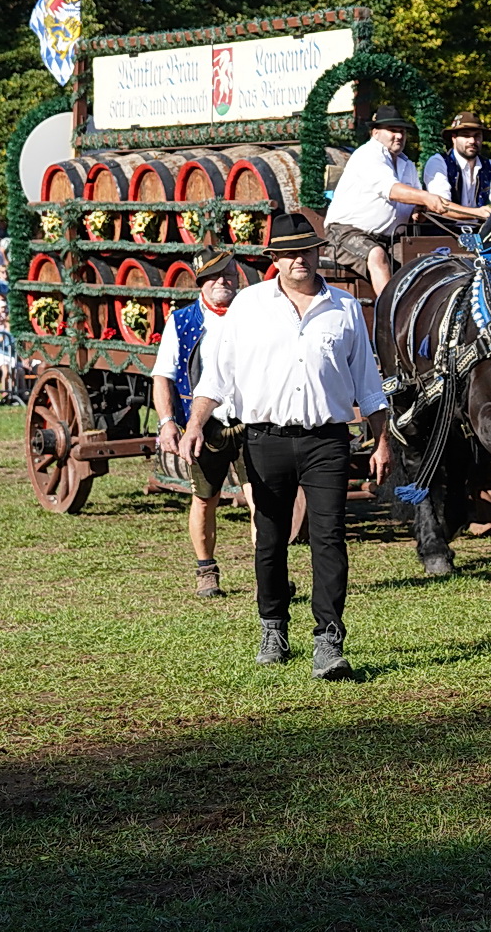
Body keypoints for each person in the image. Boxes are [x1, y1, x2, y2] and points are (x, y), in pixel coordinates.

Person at [182, 212, 392, 679]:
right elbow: (216, 377)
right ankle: (273, 627)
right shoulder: (248, 306)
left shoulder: (345, 308)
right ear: (272, 259)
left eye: (307, 249)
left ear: (320, 253)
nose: (299, 259)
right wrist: (195, 424)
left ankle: (329, 640)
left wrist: (382, 441)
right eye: (288, 252)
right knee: (271, 538)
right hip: (264, 439)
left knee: (329, 538)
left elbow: (369, 384)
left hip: (327, 441)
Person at [153, 251, 244, 598]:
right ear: (201, 282)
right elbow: (162, 376)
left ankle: (265, 571)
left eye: (229, 274)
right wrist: (167, 423)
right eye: (214, 276)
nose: (223, 281)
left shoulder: (251, 316)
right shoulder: (182, 321)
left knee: (260, 499)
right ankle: (206, 571)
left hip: (248, 419)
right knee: (205, 498)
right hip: (203, 425)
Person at [323, 105, 485, 294]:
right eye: (392, 131)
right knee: (376, 255)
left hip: (391, 238)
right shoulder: (367, 155)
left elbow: (417, 203)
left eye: (402, 131)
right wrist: (426, 197)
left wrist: (418, 212)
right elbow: (393, 190)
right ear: (375, 133)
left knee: (424, 259)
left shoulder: (406, 164)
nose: (399, 136)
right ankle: (390, 316)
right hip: (346, 233)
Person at [420, 110, 491, 220]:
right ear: (454, 138)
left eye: (477, 136)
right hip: (444, 233)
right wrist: (478, 213)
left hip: (479, 233)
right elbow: (441, 206)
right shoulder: (439, 162)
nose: (472, 141)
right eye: (466, 136)